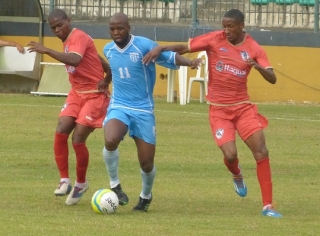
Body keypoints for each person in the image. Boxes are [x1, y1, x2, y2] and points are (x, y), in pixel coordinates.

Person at [143, 9, 282, 218]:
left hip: (243, 108)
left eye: (230, 26)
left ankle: (268, 206)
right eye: (224, 26)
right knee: (230, 154)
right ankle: (237, 174)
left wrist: (258, 67)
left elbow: (272, 78)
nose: (226, 30)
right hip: (219, 110)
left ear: (242, 26)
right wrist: (161, 48)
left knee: (261, 151)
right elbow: (185, 47)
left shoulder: (253, 48)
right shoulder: (214, 40)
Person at [102, 12, 202, 212]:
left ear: (129, 27)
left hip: (143, 110)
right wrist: (106, 81)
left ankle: (145, 196)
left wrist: (190, 63)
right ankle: (115, 185)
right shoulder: (108, 49)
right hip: (119, 105)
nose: (116, 32)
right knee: (110, 139)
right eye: (112, 28)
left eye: (120, 28)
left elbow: (169, 57)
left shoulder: (144, 45)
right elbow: (114, 68)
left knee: (146, 163)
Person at [27, 9, 111, 206]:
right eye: (53, 27)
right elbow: (102, 63)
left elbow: (75, 60)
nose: (57, 30)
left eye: (60, 25)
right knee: (61, 128)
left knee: (78, 138)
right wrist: (108, 75)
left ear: (69, 21)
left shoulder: (78, 36)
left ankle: (81, 184)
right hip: (76, 92)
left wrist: (46, 50)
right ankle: (64, 179)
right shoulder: (71, 41)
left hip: (94, 96)